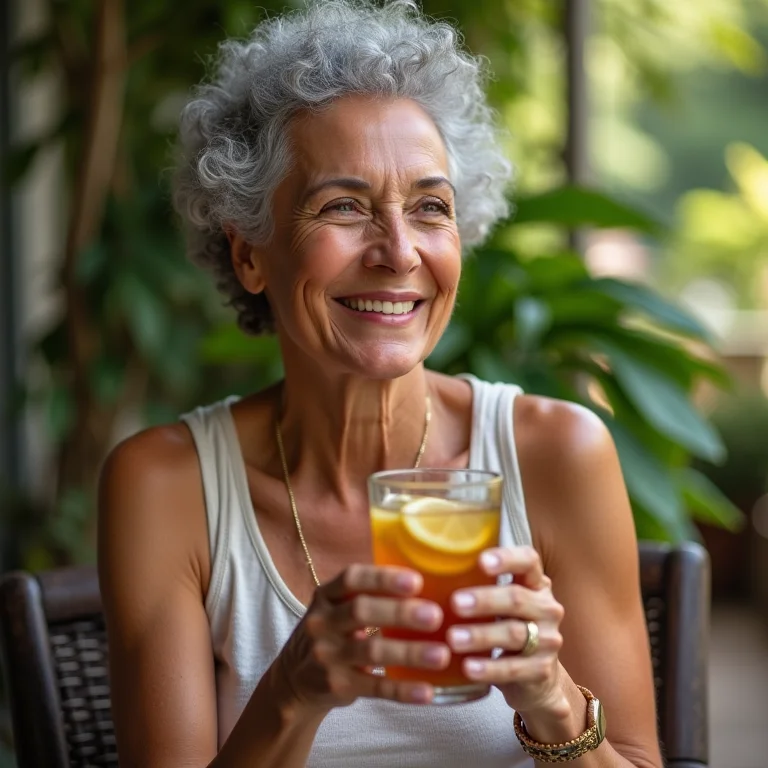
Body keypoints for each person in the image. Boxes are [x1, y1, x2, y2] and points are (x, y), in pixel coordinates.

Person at [97, 1, 663, 766]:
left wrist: (551, 698)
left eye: (430, 208)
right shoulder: (167, 486)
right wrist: (293, 689)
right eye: (343, 206)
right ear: (249, 254)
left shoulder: (557, 455)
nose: (398, 253)